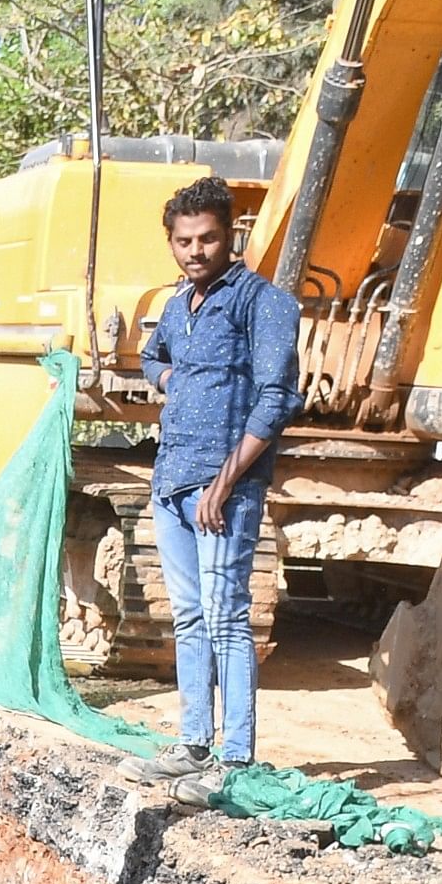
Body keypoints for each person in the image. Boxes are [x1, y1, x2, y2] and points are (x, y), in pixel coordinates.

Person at [134, 175, 297, 786]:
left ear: (230, 237)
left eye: (206, 238)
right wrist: (171, 381)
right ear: (172, 243)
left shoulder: (263, 302)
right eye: (183, 241)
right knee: (187, 616)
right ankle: (194, 743)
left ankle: (234, 759)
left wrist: (225, 484)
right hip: (173, 481)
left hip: (223, 490)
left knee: (226, 615)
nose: (195, 250)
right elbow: (154, 356)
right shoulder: (180, 306)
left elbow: (277, 400)